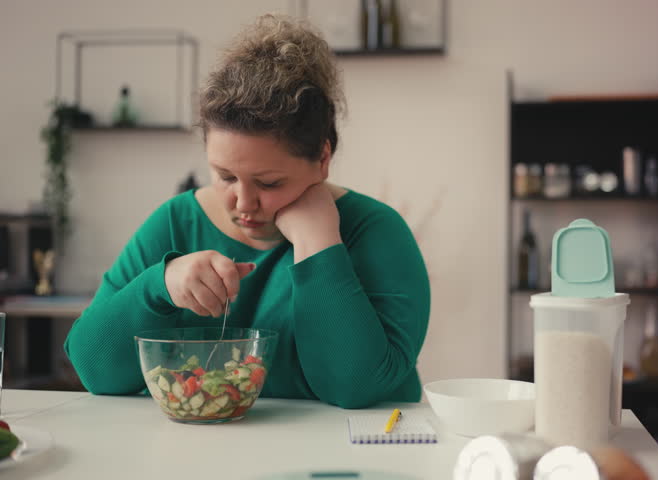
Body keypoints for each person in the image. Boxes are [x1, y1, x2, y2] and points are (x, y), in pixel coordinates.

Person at [64, 14, 430, 409]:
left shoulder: (375, 231)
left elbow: (356, 387)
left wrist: (318, 243)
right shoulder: (175, 223)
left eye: (269, 183)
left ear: (323, 158)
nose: (242, 203)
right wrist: (161, 285)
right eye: (224, 176)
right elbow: (93, 370)